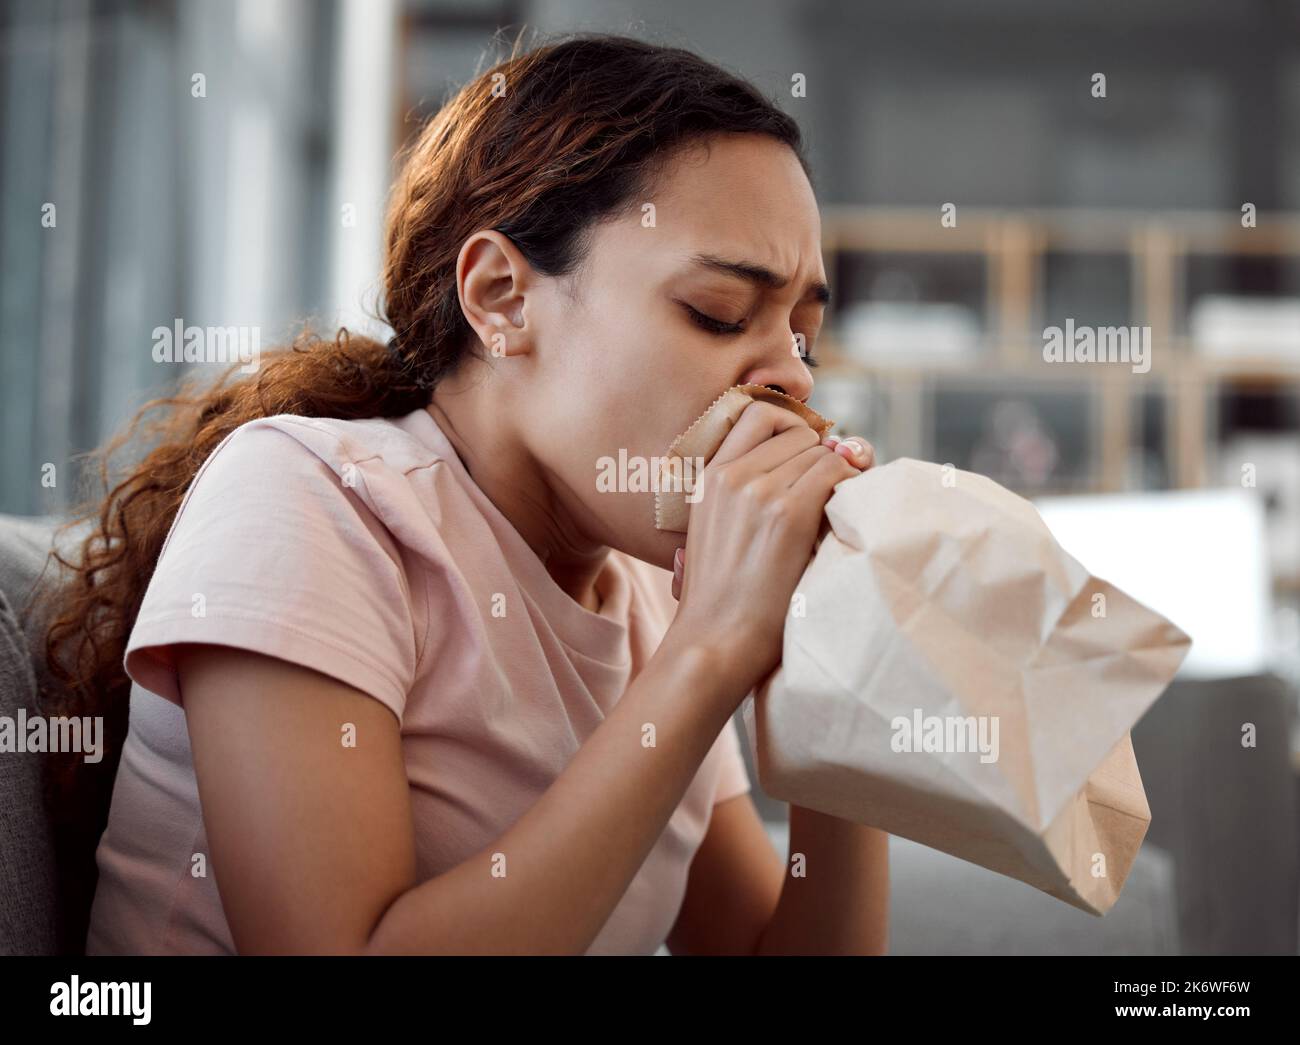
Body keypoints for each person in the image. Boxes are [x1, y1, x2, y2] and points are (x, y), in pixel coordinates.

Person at [44, 31, 889, 955]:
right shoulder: (308, 498)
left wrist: (840, 691)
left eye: (803, 337)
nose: (793, 381)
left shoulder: (652, 589)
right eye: (719, 313)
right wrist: (711, 652)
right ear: (501, 297)